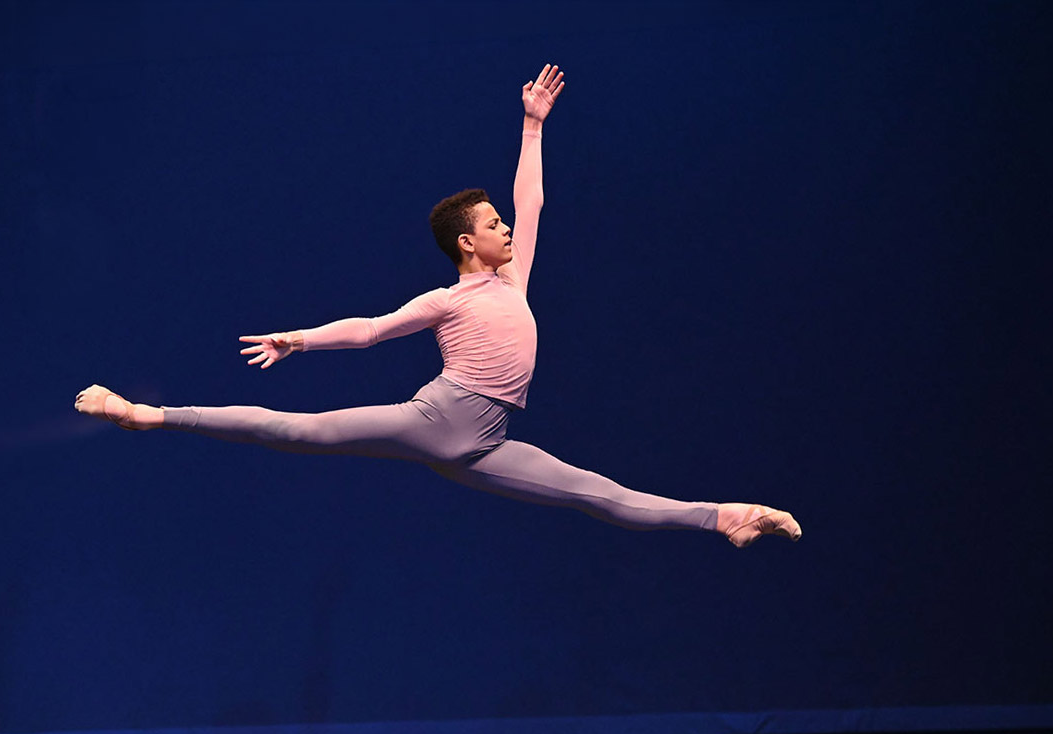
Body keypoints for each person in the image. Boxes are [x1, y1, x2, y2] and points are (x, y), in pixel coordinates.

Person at [75, 64, 801, 547]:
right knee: (299, 431)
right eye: (491, 226)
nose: (506, 229)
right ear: (465, 242)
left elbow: (533, 198)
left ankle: (725, 517)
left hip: (486, 446)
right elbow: (368, 331)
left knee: (598, 494)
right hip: (436, 421)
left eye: (501, 223)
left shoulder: (514, 281)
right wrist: (300, 339)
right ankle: (144, 414)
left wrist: (533, 124)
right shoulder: (449, 300)